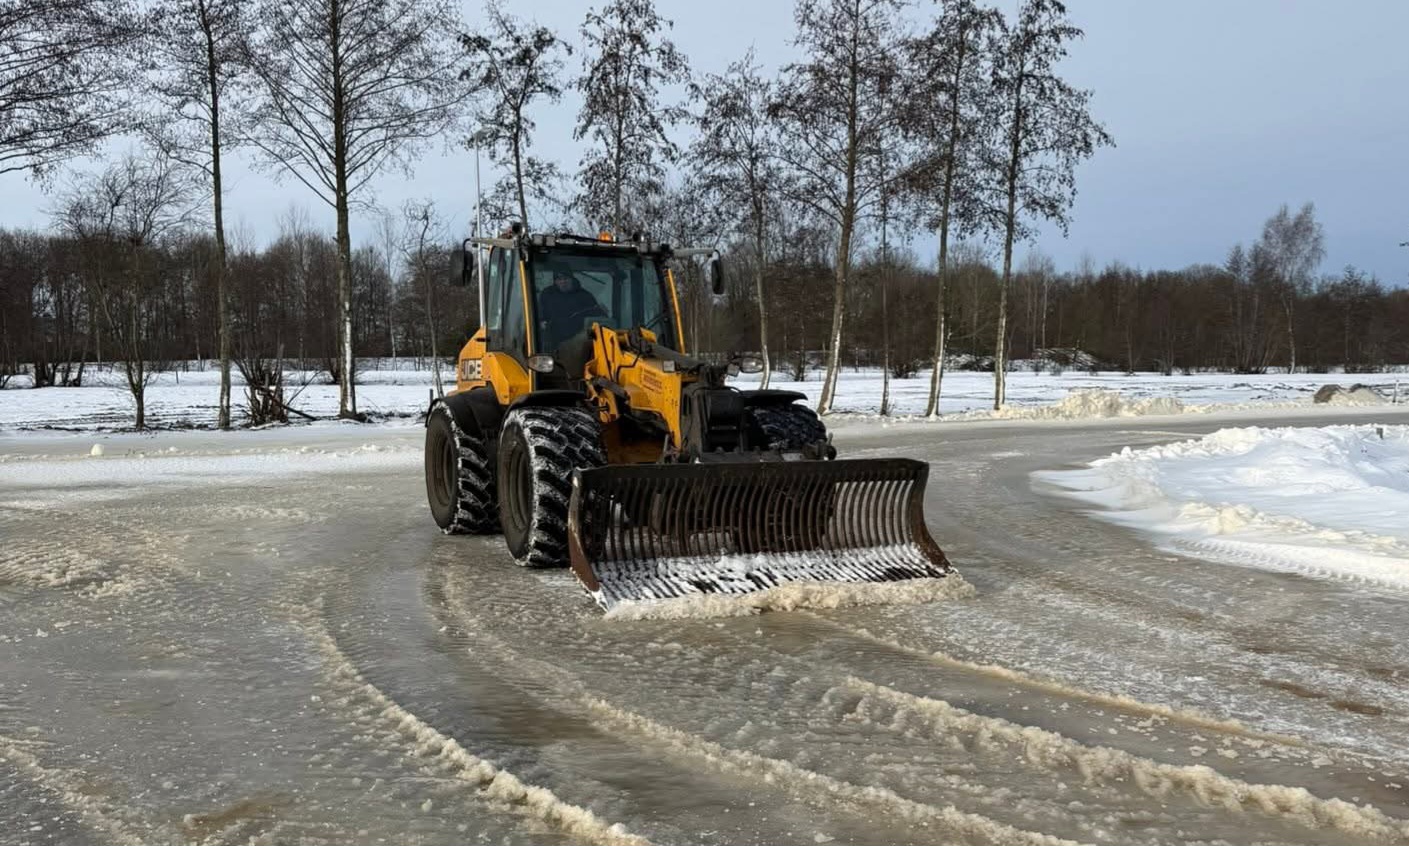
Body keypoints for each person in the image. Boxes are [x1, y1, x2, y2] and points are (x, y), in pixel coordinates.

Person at [538, 269, 604, 349]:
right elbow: (539, 314)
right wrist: (542, 322)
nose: (563, 282)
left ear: (572, 279)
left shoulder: (585, 296)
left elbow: (597, 316)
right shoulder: (547, 295)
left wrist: (601, 311)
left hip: (580, 339)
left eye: (566, 278)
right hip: (553, 339)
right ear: (555, 282)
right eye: (559, 279)